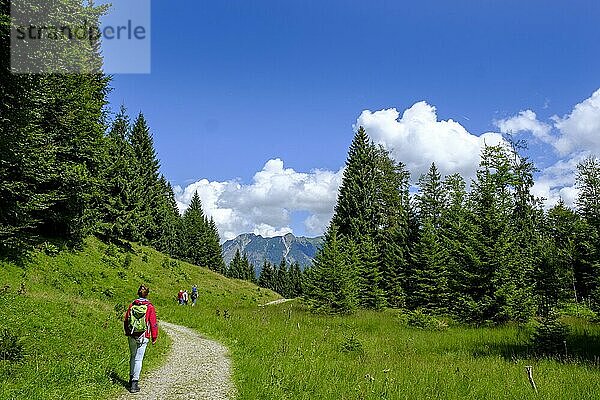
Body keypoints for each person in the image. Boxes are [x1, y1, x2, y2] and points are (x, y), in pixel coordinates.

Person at [123, 284, 158, 393]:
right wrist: (154, 337)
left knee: (132, 356)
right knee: (139, 358)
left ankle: (130, 379)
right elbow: (153, 323)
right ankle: (134, 384)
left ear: (138, 293)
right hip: (144, 336)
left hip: (132, 334)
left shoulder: (132, 304)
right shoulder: (150, 307)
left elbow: (126, 320)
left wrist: (127, 332)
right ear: (147, 294)